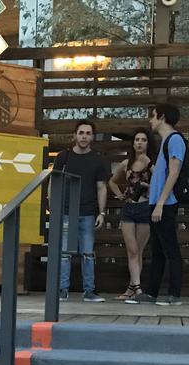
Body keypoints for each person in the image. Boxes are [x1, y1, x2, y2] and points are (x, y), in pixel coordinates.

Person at [52, 120, 109, 302]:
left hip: (88, 213)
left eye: (88, 133)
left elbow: (102, 187)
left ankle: (89, 291)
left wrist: (102, 213)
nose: (84, 136)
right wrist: (53, 207)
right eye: (81, 132)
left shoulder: (98, 160)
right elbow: (54, 182)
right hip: (66, 211)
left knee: (87, 254)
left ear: (92, 137)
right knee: (64, 254)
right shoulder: (63, 157)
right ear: (74, 135)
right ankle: (62, 290)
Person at [141, 103, 186, 306]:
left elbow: (174, 172)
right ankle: (151, 292)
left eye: (153, 116)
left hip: (165, 204)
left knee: (170, 249)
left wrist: (160, 202)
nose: (151, 120)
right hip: (157, 203)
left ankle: (174, 294)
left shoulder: (175, 140)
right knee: (157, 250)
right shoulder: (165, 142)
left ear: (161, 117)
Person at [108, 129, 154, 302]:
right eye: (137, 140)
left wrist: (148, 165)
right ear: (133, 143)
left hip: (144, 208)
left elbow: (160, 182)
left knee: (138, 251)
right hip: (129, 208)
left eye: (143, 140)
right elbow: (112, 181)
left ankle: (132, 288)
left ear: (148, 143)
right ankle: (137, 289)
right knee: (132, 250)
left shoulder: (151, 164)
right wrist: (119, 195)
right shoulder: (126, 163)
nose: (140, 142)